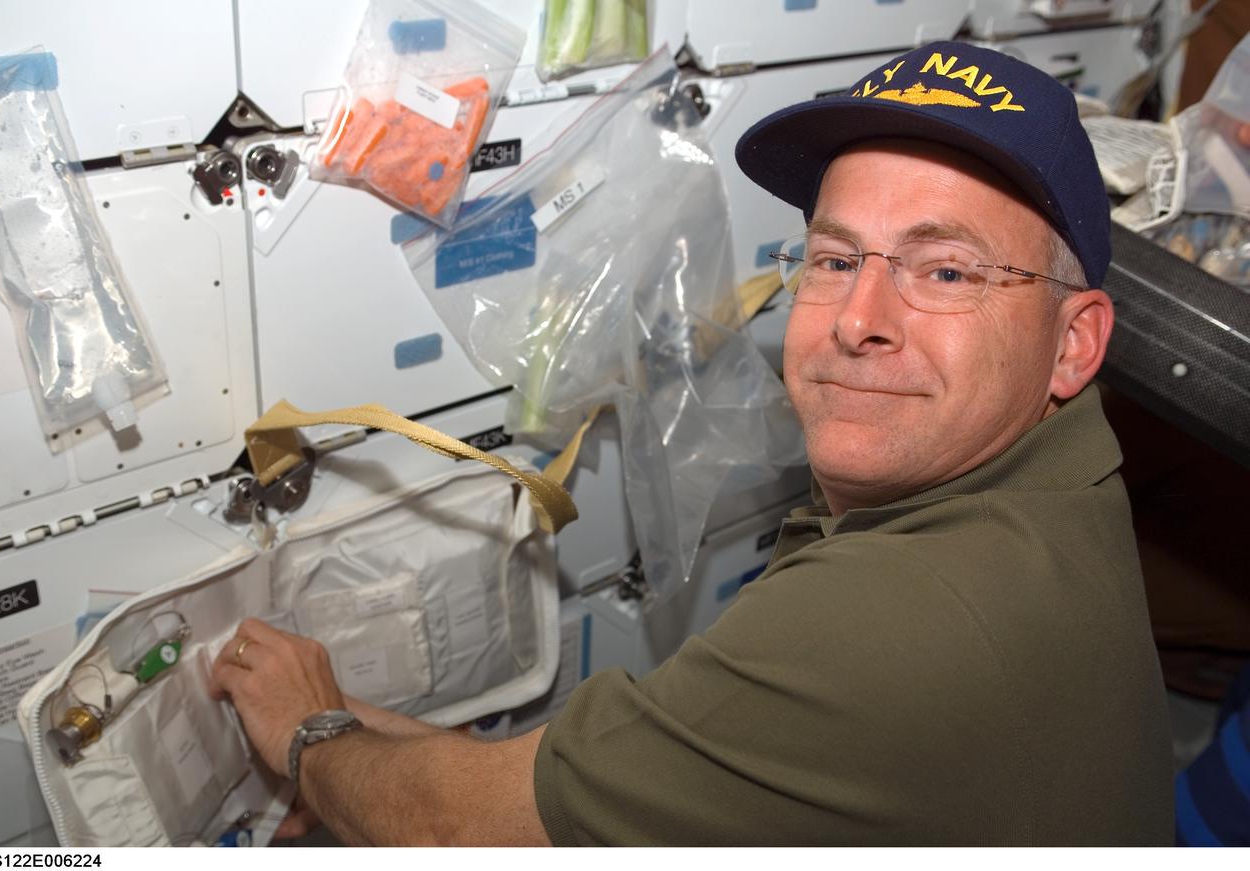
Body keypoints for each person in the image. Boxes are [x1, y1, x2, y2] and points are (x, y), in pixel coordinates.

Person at [209, 41, 1174, 845]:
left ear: (1073, 341)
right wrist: (354, 720)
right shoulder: (1058, 488)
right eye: (836, 259)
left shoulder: (897, 625)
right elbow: (557, 784)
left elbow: (461, 831)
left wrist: (306, 732)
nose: (858, 320)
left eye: (948, 270)